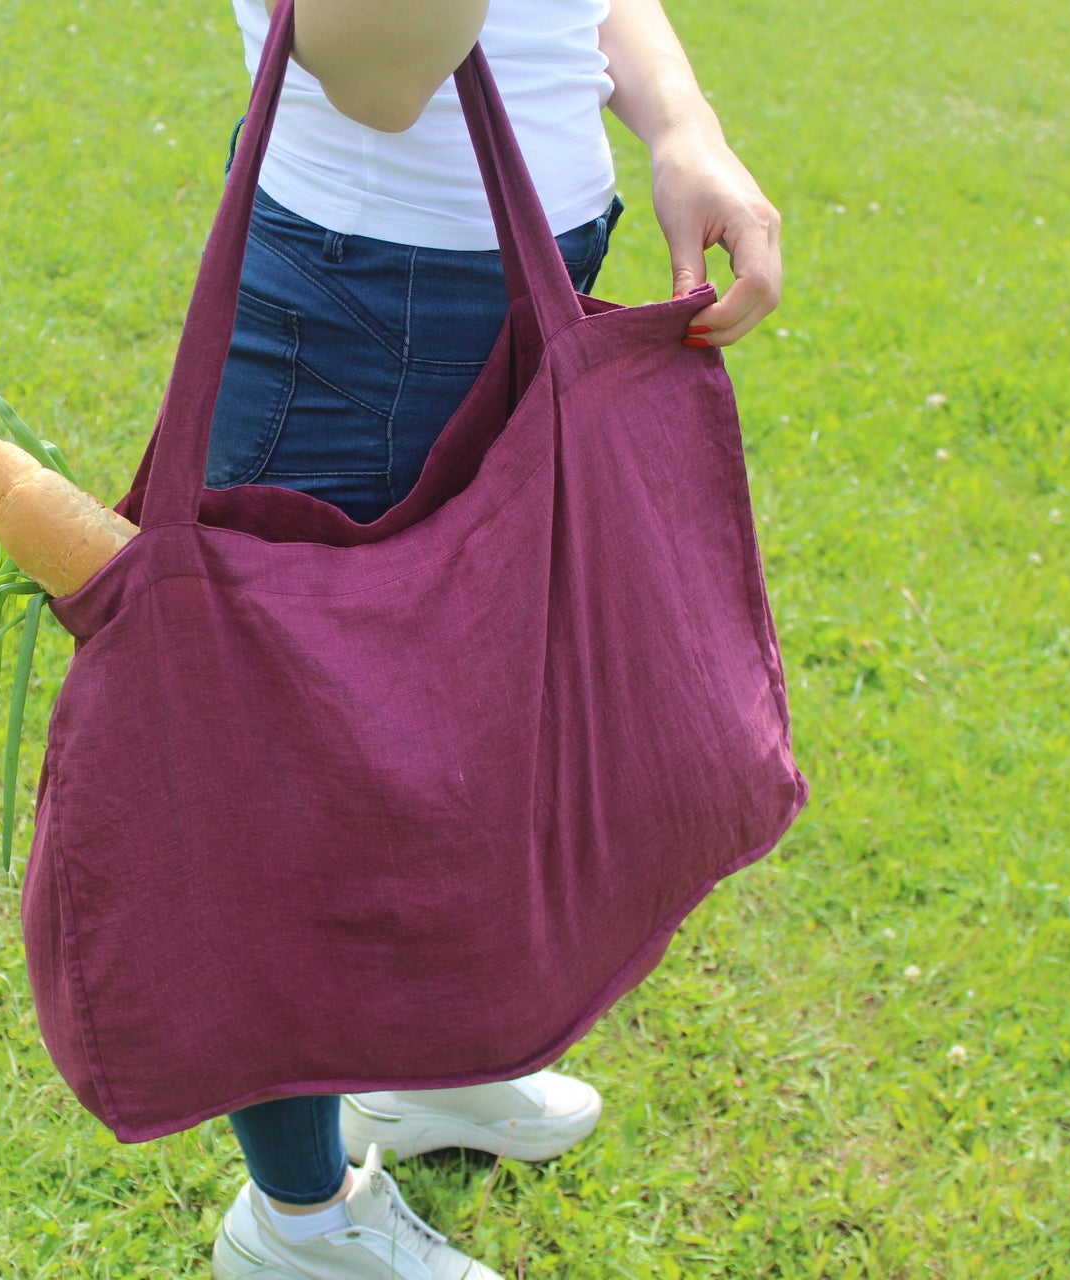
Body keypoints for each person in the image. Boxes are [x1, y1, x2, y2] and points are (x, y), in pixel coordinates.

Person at [201, 1, 781, 1275]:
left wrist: (682, 125)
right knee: (293, 779)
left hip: (536, 263)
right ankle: (298, 1222)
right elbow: (376, 72)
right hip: (355, 304)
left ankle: (423, 1067)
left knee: (488, 727)